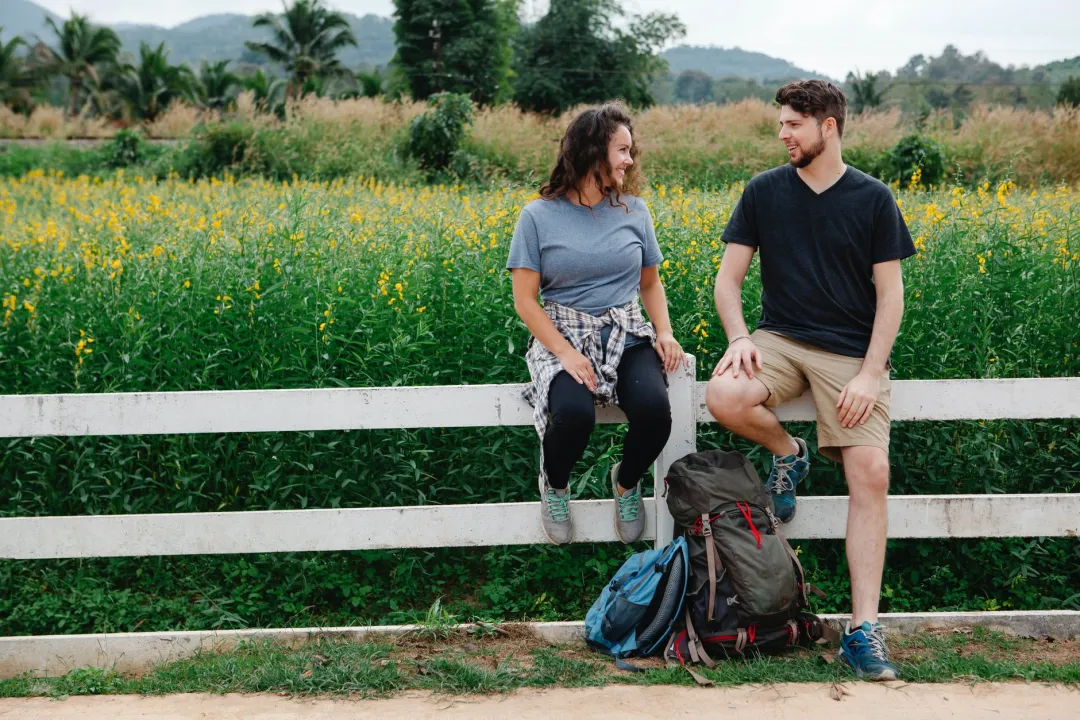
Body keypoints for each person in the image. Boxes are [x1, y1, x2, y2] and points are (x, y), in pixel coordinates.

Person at [705, 80, 915, 681]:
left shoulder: (873, 198)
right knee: (724, 393)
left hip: (850, 354)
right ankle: (788, 452)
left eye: (793, 123)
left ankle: (863, 630)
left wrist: (872, 373)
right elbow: (729, 282)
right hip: (777, 341)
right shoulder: (765, 191)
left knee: (871, 472)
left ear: (828, 126)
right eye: (780, 123)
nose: (782, 134)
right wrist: (740, 338)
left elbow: (891, 295)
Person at [507, 102, 684, 546]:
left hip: (626, 332)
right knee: (571, 415)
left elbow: (650, 283)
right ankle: (556, 484)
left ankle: (625, 484)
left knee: (655, 414)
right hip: (562, 334)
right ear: (592, 151)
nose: (630, 159)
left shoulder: (635, 211)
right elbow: (526, 302)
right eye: (622, 150)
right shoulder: (537, 217)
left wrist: (663, 331)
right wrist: (566, 354)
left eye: (630, 151)